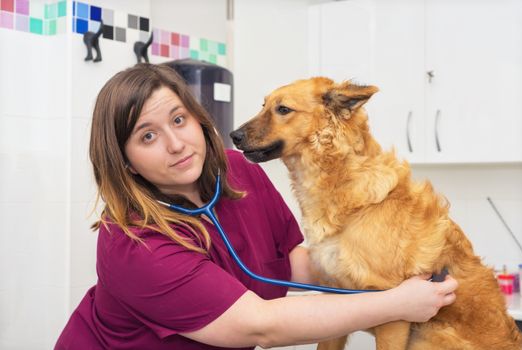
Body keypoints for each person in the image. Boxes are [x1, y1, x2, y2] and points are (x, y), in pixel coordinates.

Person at [55, 63, 458, 350]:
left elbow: (294, 264)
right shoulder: (133, 243)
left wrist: (390, 257)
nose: (175, 144)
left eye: (179, 120)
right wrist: (397, 302)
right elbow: (257, 327)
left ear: (197, 119)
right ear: (123, 159)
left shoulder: (236, 171)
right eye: (147, 136)